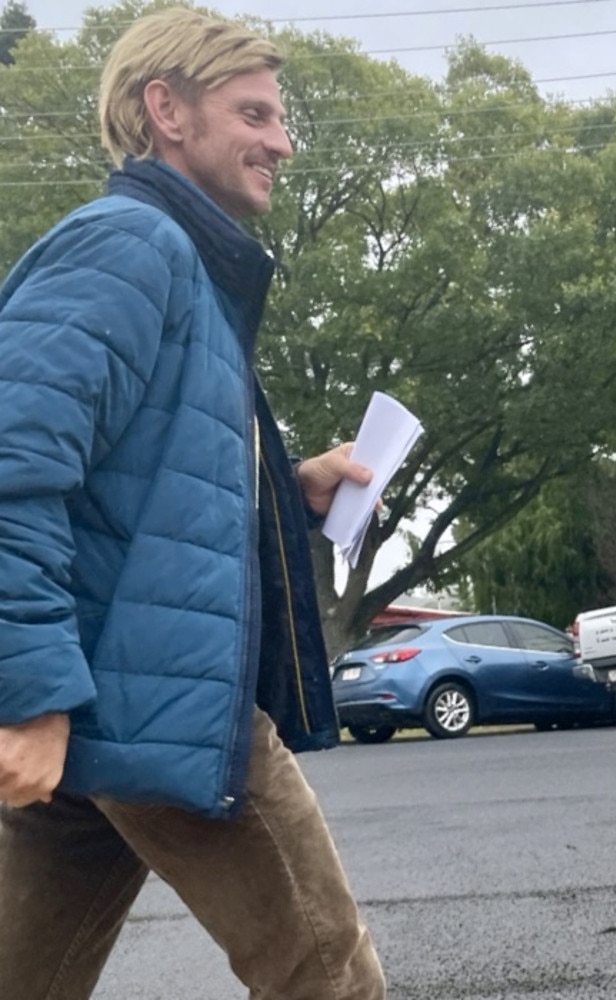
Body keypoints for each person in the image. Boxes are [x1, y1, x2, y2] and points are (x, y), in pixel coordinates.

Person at [0, 8, 386, 999]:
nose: (281, 140)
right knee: (325, 971)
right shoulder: (129, 248)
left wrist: (288, 493)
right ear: (163, 109)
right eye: (252, 112)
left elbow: (131, 488)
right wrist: (32, 693)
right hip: (149, 694)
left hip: (104, 702)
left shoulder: (175, 265)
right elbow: (12, 466)